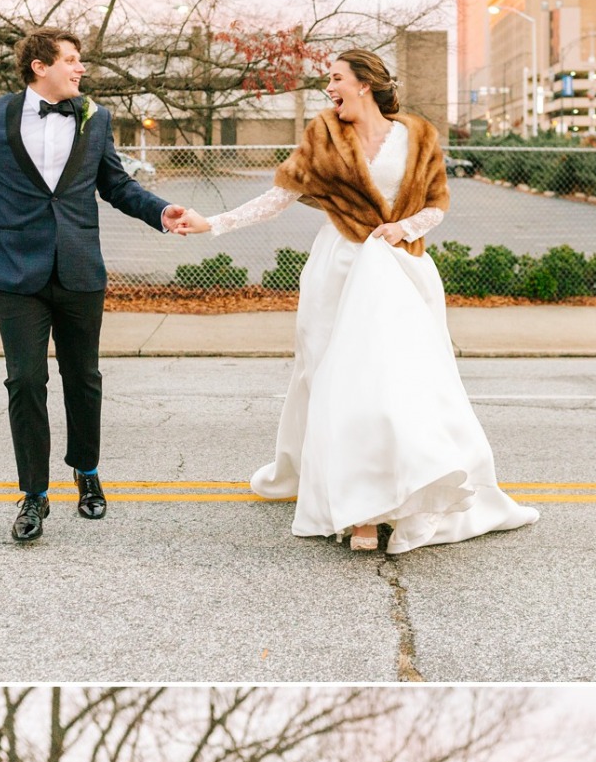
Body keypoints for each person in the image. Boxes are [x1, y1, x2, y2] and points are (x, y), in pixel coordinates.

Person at [170, 49, 538, 555]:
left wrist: (403, 228)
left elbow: (437, 204)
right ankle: (358, 511)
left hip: (401, 270)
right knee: (338, 385)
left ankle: (408, 497)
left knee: (403, 386)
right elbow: (279, 197)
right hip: (339, 271)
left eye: (336, 78)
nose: (329, 88)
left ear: (365, 83)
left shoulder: (418, 137)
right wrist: (214, 222)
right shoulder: (322, 134)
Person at [0, 28, 198, 545]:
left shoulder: (95, 116)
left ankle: (86, 470)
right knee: (24, 382)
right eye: (70, 59)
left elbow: (116, 184)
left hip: (80, 268)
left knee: (82, 377)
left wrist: (160, 211)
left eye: (79, 60)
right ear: (40, 66)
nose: (80, 68)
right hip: (17, 271)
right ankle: (34, 493)